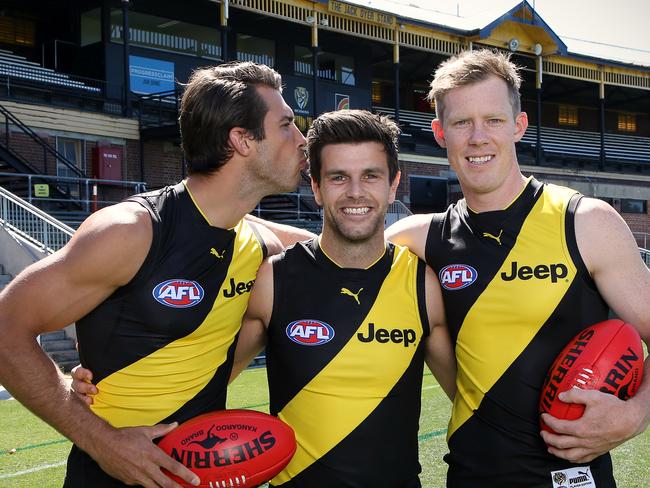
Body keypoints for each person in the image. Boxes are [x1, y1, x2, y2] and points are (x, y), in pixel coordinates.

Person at [0, 61, 312, 488]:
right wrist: (102, 439)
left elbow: (346, 247)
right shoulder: (131, 232)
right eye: (287, 126)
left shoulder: (260, 244)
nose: (302, 140)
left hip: (197, 474)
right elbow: (5, 328)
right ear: (242, 140)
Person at [385, 49, 650, 487]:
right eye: (461, 123)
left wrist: (636, 414)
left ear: (518, 126)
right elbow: (331, 248)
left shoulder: (584, 222)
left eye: (492, 120)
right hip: (471, 476)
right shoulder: (420, 238)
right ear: (439, 133)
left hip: (572, 477)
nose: (478, 137)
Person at [230, 109, 456, 487]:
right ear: (316, 187)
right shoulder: (274, 279)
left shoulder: (422, 283)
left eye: (371, 175)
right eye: (338, 178)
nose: (355, 192)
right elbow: (205, 383)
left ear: (393, 184)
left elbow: (471, 397)